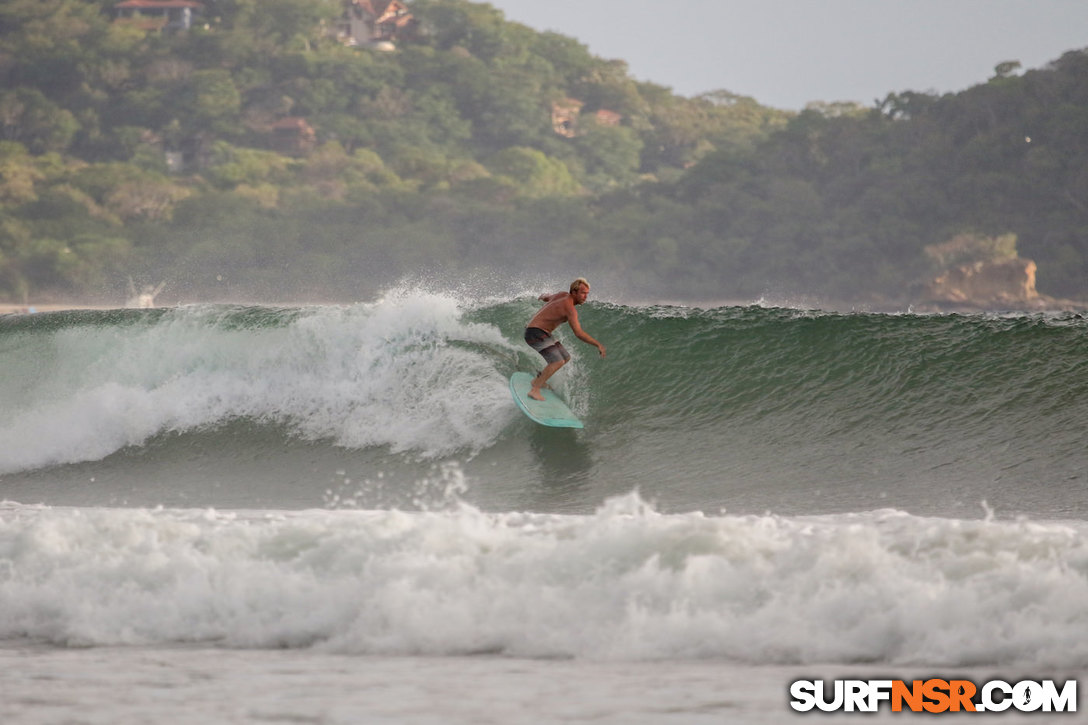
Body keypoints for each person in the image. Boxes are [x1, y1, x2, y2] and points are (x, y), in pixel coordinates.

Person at [524, 277, 606, 401]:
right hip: (535, 332)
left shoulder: (562, 295)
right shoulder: (570, 309)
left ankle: (538, 380)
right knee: (557, 361)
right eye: (583, 293)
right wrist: (597, 344)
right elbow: (578, 333)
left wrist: (542, 297)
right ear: (574, 292)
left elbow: (548, 297)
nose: (585, 297)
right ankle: (535, 389)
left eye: (587, 294)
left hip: (538, 331)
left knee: (565, 357)